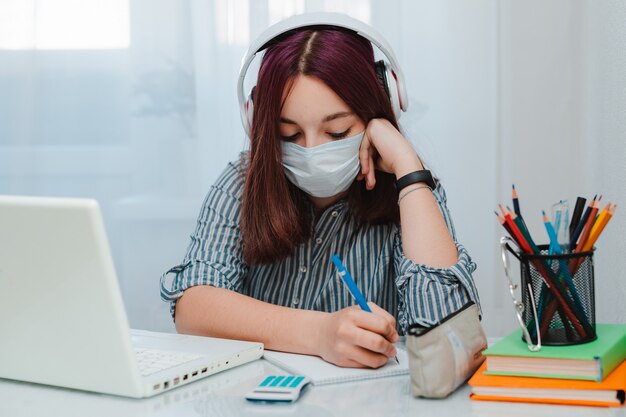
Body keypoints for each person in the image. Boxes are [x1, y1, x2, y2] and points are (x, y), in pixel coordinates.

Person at [160, 13, 480, 369]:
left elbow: (449, 338)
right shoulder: (242, 180)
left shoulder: (411, 190)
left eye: (338, 132)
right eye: (289, 135)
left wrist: (407, 165)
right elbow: (193, 308)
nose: (311, 150)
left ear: (379, 112)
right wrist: (319, 333)